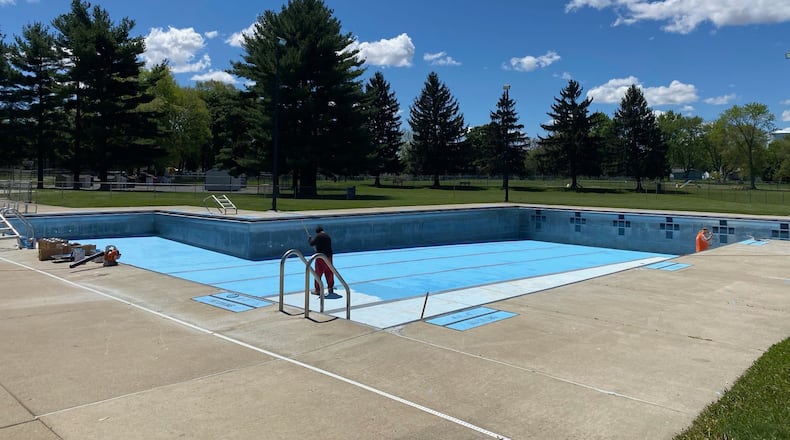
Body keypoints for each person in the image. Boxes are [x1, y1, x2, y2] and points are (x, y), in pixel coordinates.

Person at [308, 226, 334, 295]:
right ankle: (330, 287)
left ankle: (318, 289)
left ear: (317, 232)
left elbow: (311, 244)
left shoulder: (318, 236)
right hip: (329, 256)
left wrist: (309, 239)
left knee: (318, 273)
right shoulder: (328, 236)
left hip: (321, 257)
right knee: (329, 272)